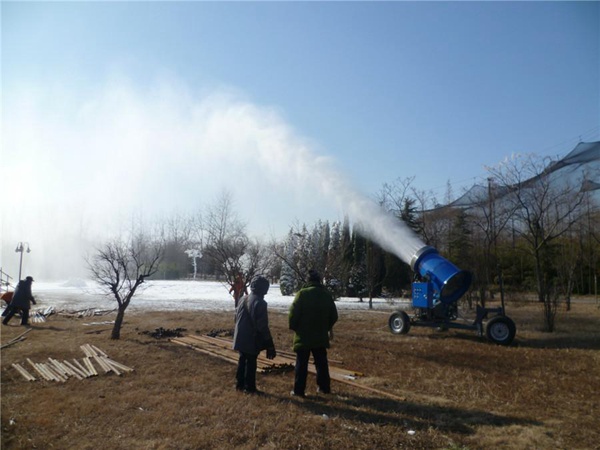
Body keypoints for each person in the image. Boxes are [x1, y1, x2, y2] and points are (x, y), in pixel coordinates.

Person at [289, 269, 338, 397]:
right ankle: (324, 388)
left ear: (308, 280)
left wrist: (295, 328)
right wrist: (326, 327)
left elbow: (293, 315)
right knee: (321, 363)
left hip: (303, 336)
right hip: (320, 336)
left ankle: (299, 391)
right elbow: (334, 315)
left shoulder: (302, 294)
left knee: (301, 364)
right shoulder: (326, 295)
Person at [232, 275, 276, 394]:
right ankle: (249, 388)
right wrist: (270, 344)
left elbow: (235, 318)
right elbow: (262, 326)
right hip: (251, 338)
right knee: (251, 362)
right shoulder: (260, 303)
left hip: (240, 336)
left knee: (242, 360)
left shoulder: (243, 299)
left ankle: (239, 384)